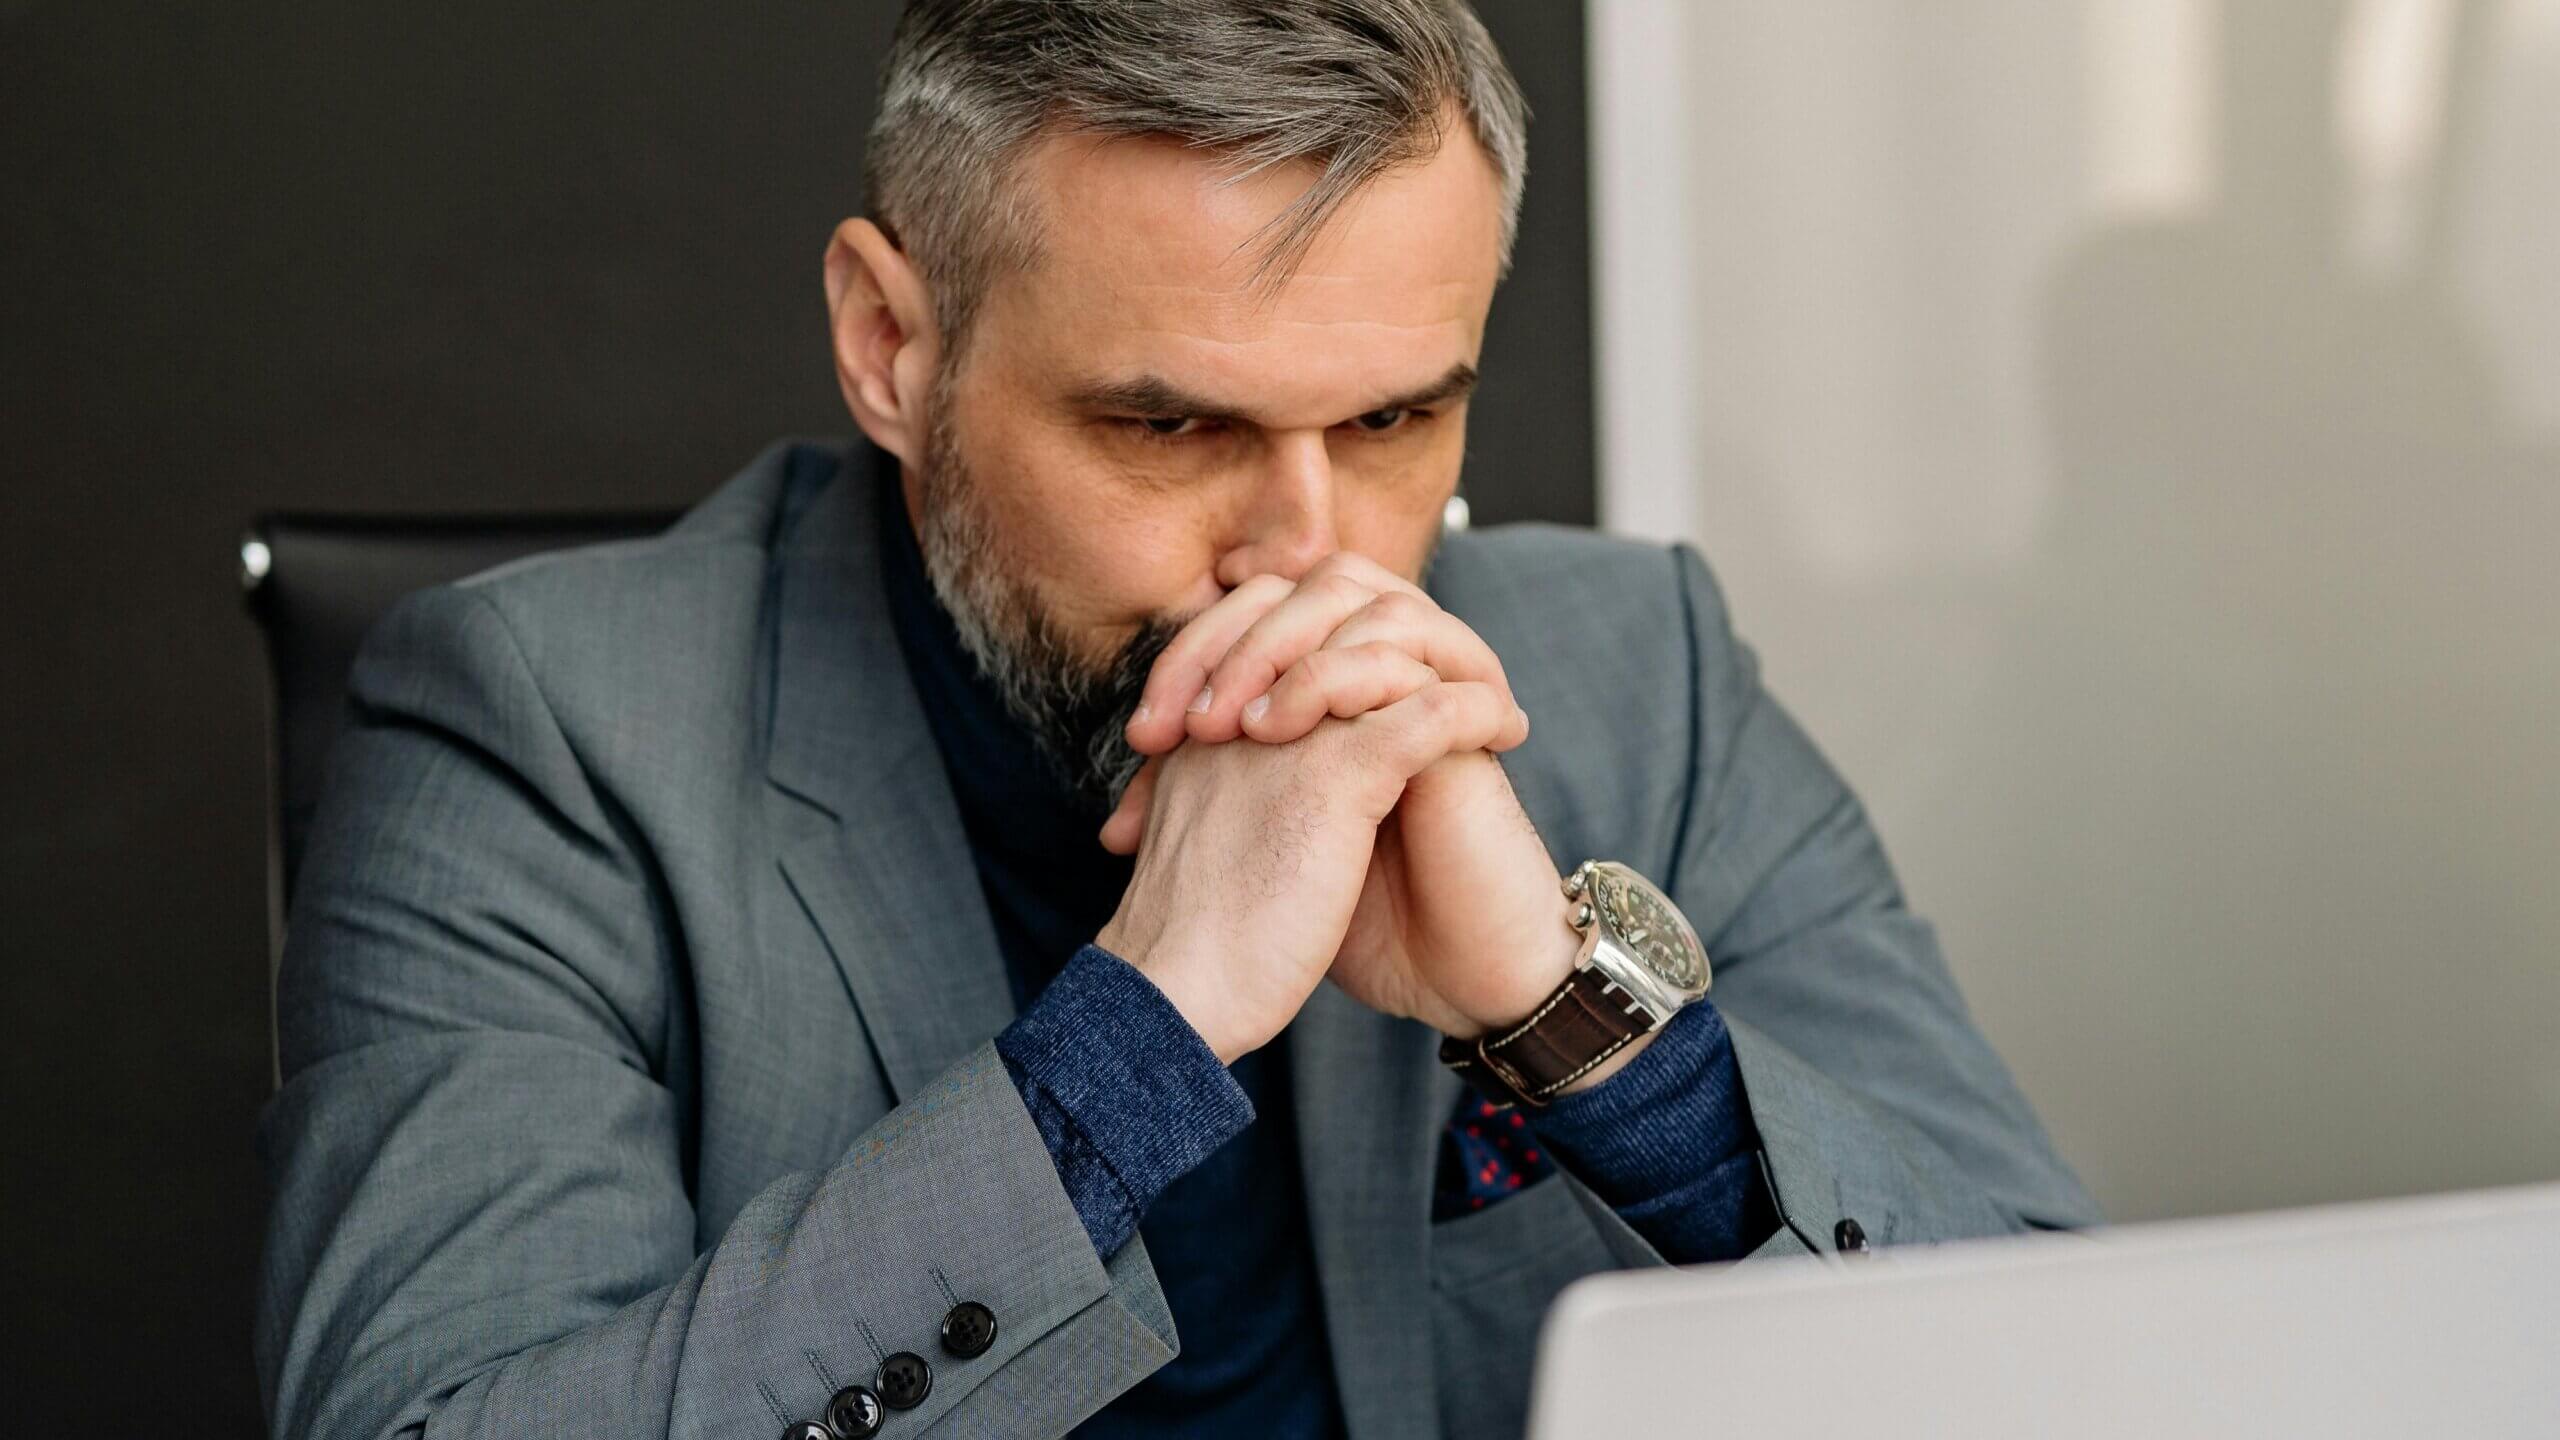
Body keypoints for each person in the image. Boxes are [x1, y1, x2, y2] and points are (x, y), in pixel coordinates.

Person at [253, 3, 2098, 1437]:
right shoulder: (543, 734)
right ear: (894, 347)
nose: (1304, 553)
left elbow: (2073, 1364)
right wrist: (1143, 1034)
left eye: (1390, 424)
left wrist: (1572, 1023)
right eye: (1169, 427)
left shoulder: (1645, 673)